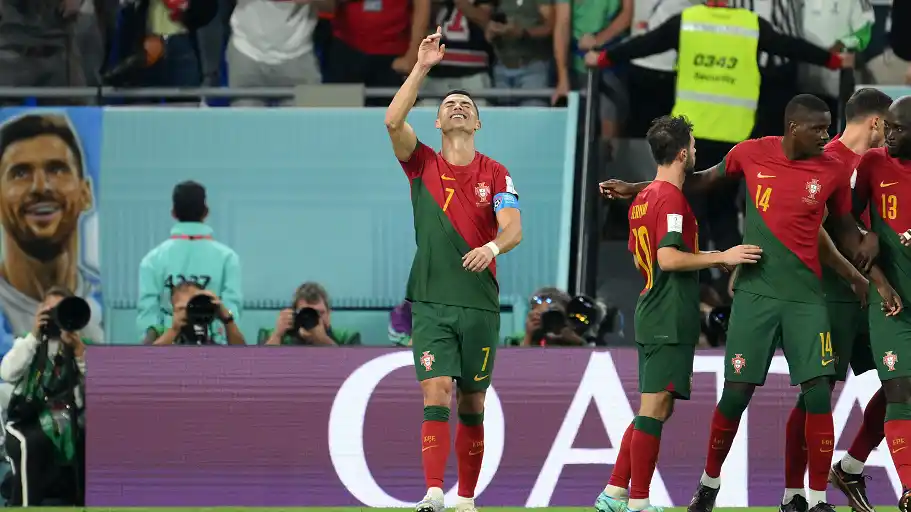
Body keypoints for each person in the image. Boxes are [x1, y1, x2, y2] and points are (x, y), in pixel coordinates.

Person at [601, 94, 870, 512]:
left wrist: (867, 275)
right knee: (736, 394)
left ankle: (813, 499)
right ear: (793, 127)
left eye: (829, 126)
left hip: (806, 298)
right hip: (756, 295)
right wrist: (638, 186)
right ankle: (708, 484)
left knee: (819, 394)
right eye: (819, 128)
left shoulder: (832, 169)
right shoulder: (751, 152)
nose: (827, 135)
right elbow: (697, 178)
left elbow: (841, 230)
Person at [583, 0, 855, 278]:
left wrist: (603, 58)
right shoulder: (750, 25)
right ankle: (736, 287)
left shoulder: (687, 21)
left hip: (690, 139)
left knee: (689, 209)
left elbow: (643, 45)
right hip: (733, 137)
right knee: (723, 212)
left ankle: (699, 290)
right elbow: (790, 46)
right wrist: (834, 61)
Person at [384, 26, 522, 512]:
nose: (458, 106)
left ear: (478, 125)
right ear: (438, 124)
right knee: (436, 391)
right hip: (431, 299)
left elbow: (513, 228)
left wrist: (493, 248)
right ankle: (433, 494)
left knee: (473, 403)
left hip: (479, 304)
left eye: (467, 105)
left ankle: (466, 499)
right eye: (449, 105)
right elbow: (392, 120)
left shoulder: (497, 172)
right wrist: (421, 66)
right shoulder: (419, 162)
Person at [594, 115, 762, 512]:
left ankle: (616, 490)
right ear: (684, 153)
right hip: (667, 313)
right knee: (654, 408)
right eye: (695, 148)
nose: (697, 154)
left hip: (657, 307)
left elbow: (644, 256)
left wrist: (706, 260)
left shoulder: (642, 198)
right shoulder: (670, 199)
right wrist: (723, 255)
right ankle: (637, 501)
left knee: (656, 407)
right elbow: (667, 258)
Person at [783, 88, 893, 512]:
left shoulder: (882, 164)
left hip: (873, 291)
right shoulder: (822, 159)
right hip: (829, 295)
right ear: (876, 123)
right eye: (891, 124)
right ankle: (794, 495)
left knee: (902, 384)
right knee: (815, 393)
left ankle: (849, 466)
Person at [853, 95, 911, 512]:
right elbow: (842, 220)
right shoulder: (872, 165)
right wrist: (866, 234)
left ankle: (850, 467)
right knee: (899, 389)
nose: (888, 135)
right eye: (887, 126)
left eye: (899, 129)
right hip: (890, 298)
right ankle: (909, 489)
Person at [0, 114, 103, 345]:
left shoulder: (103, 306)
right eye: (20, 173)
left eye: (57, 169)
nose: (40, 186)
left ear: (86, 193)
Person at [1, 287, 89, 506]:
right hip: (26, 419)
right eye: (50, 311)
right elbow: (7, 372)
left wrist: (79, 354)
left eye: (60, 312)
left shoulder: (77, 348)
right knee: (31, 443)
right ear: (40, 313)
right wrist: (33, 337)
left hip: (65, 420)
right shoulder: (27, 343)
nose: (54, 318)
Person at [137, 181, 242, 343]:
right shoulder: (228, 258)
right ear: (206, 212)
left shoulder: (152, 260)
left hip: (164, 357)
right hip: (217, 357)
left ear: (173, 213)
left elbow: (147, 322)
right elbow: (232, 316)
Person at [144, 281, 245, 345]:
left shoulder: (215, 338)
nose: (190, 311)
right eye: (183, 308)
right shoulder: (157, 332)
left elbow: (243, 359)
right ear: (174, 310)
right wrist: (174, 330)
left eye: (195, 306)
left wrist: (228, 320)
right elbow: (145, 362)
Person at [260, 282, 361, 346]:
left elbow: (352, 373)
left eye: (320, 313)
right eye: (306, 313)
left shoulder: (347, 338)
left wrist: (323, 340)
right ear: (295, 314)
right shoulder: (269, 334)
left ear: (329, 314)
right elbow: (260, 370)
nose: (314, 318)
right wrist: (277, 336)